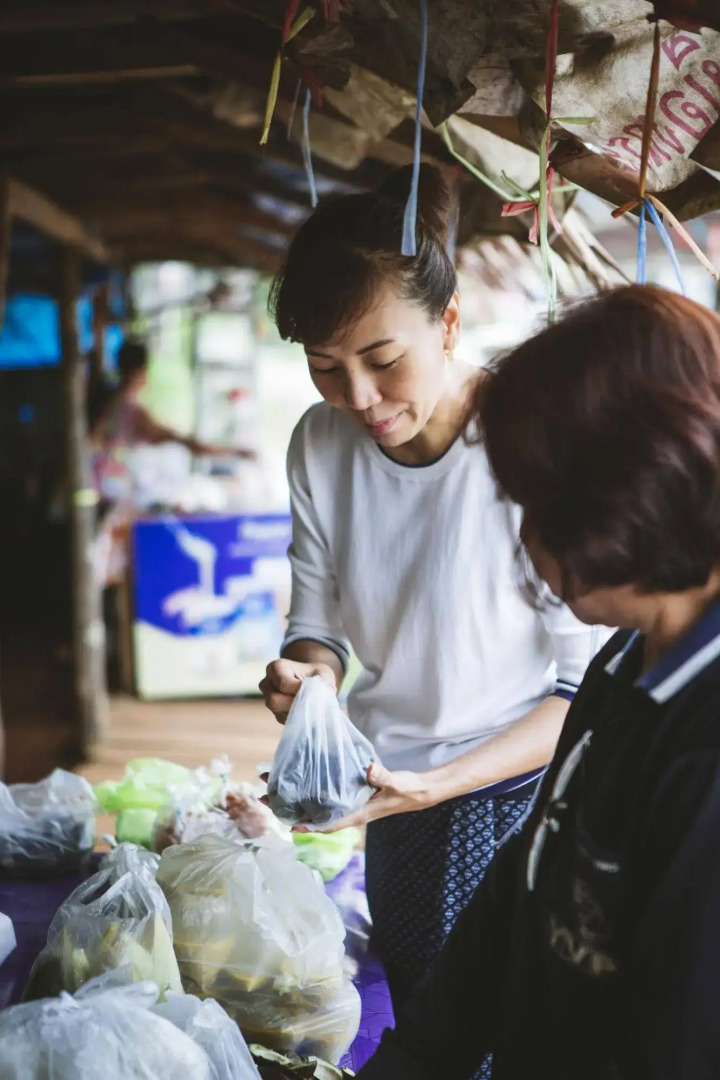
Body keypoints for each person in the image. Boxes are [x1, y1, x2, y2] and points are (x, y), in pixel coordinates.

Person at [259, 164, 608, 1028]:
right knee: (425, 1002)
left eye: (383, 361)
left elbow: (581, 695)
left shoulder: (528, 443)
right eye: (326, 368)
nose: (360, 400)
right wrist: (308, 682)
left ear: (449, 323)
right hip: (391, 787)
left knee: (499, 1022)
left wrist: (442, 783)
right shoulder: (319, 445)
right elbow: (317, 625)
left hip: (519, 790)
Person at [357, 284, 720, 1080]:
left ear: (633, 490)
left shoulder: (703, 747)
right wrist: (419, 1053)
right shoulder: (624, 660)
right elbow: (534, 873)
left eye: (534, 506)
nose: (526, 537)